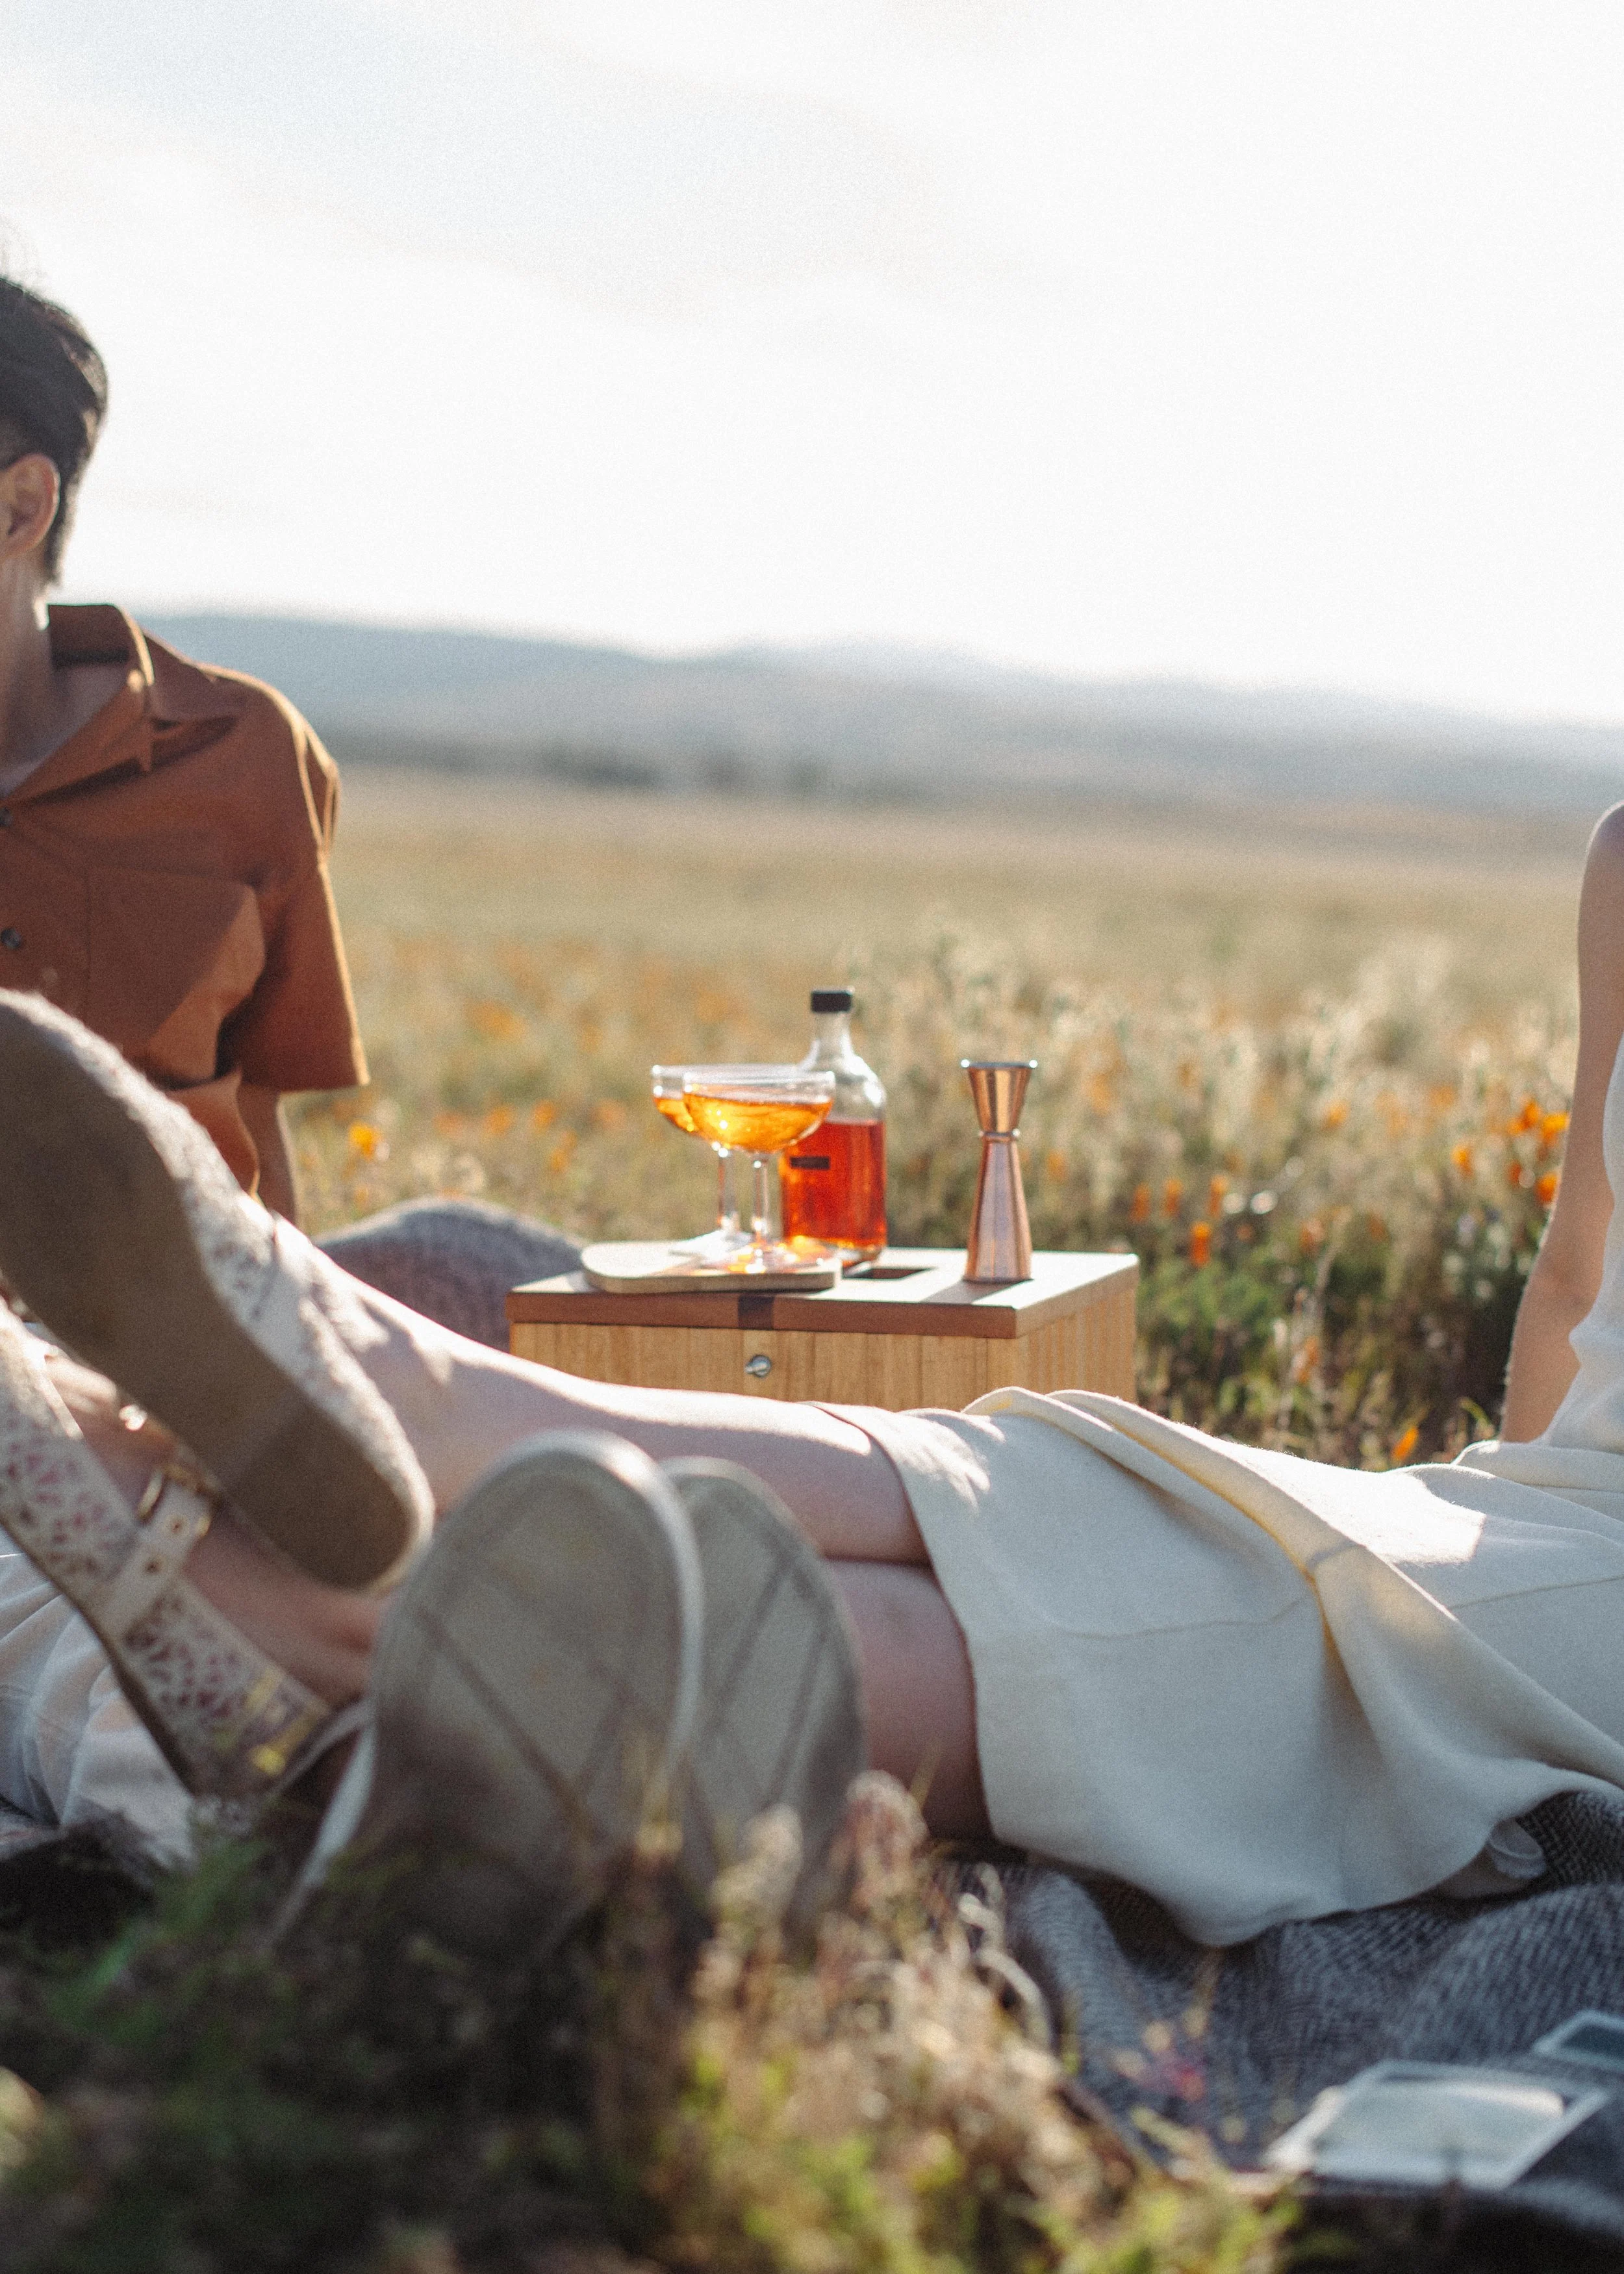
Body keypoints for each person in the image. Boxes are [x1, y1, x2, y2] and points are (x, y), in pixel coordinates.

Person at [6, 843, 1624, 1960]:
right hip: (1549, 1494)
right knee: (1091, 1488)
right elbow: (1571, 1277)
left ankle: (291, 1530)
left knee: (1242, 1644)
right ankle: (329, 1472)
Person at [0, 273, 577, 1342]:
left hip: (186, 1376)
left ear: (20, 507)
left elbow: (256, 1113)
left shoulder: (244, 756)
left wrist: (298, 1397)